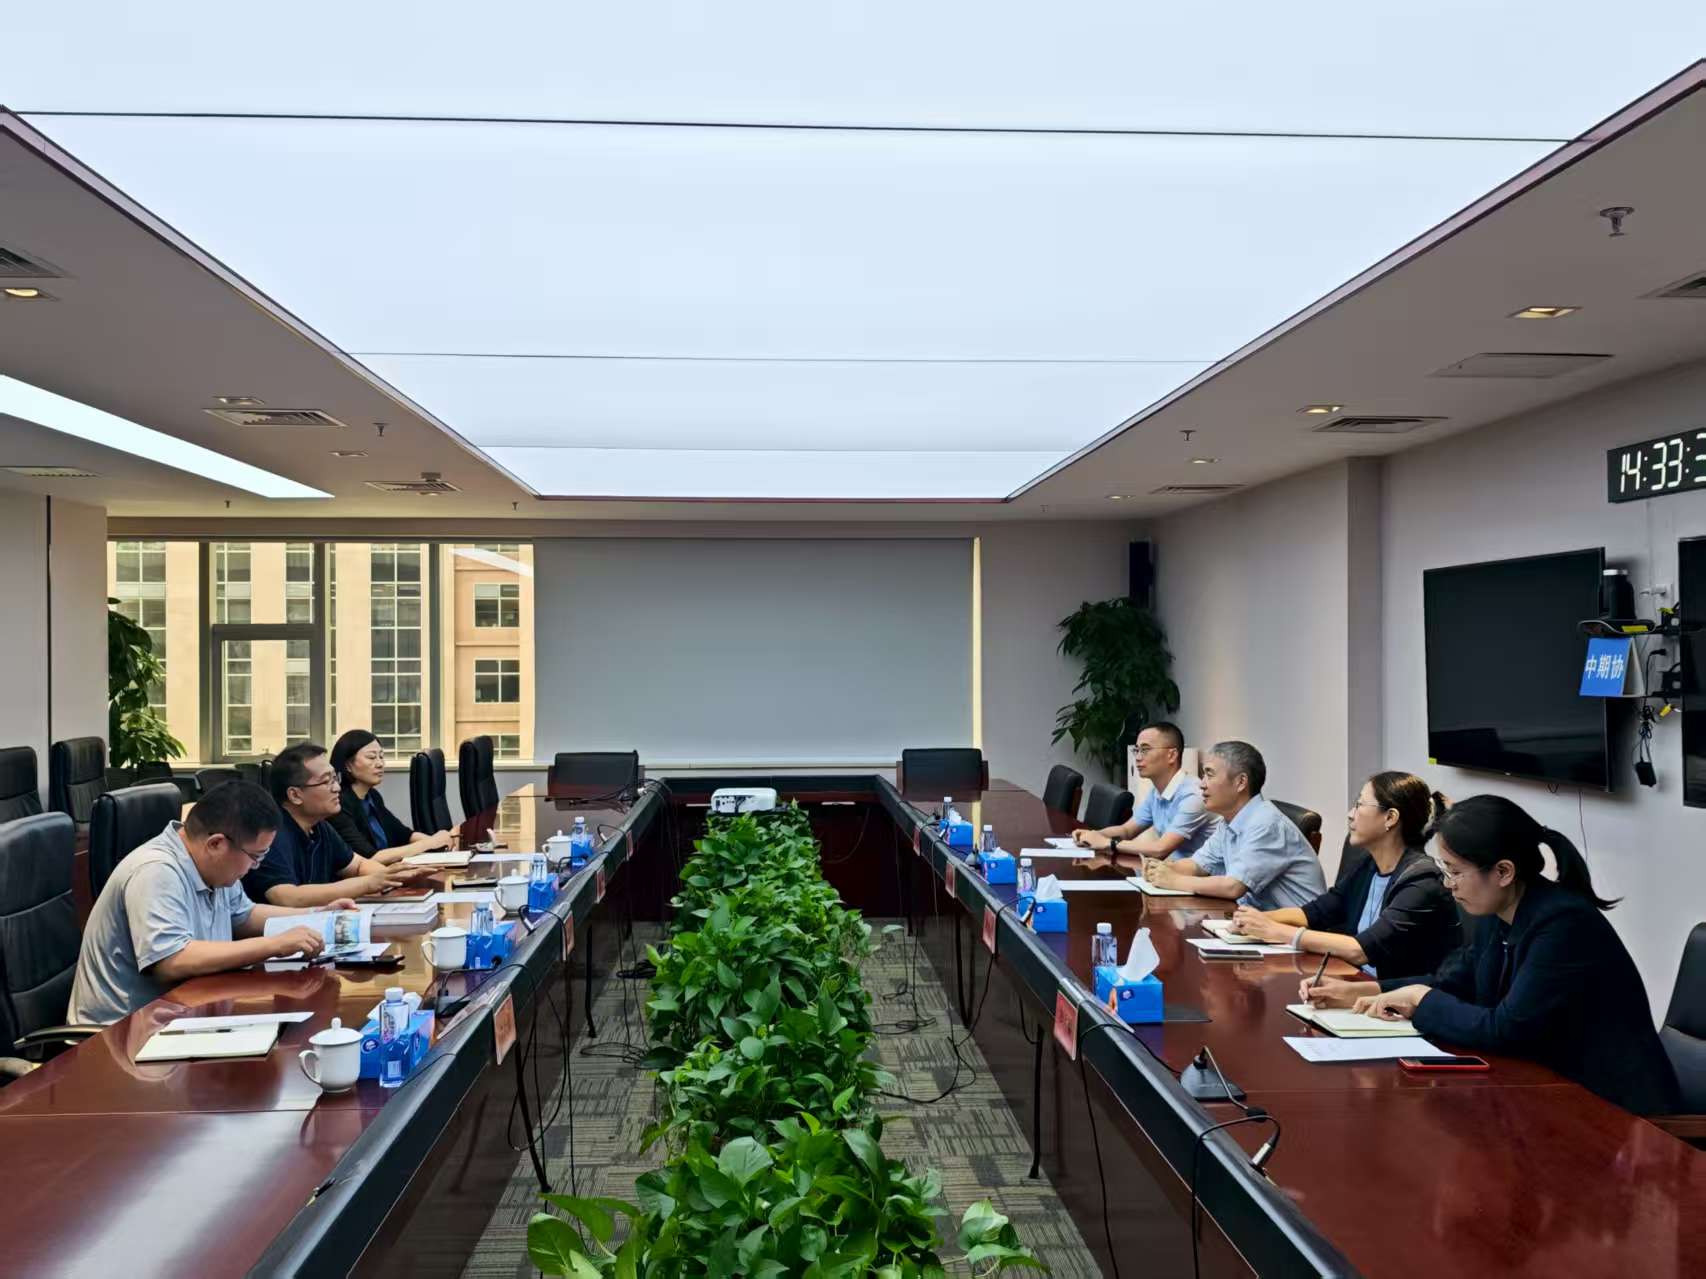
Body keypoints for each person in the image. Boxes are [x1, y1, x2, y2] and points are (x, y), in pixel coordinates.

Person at [1312, 794, 1679, 1116]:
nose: (1448, 885)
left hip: (1615, 1113)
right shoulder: (1500, 911)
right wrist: (1366, 991)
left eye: (1455, 872)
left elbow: (1506, 1029)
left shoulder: (1563, 924)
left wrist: (1421, 1000)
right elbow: (1454, 982)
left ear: (1503, 872)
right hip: (1543, 1091)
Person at [67, 781, 357, 1025]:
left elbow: (244, 915)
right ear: (216, 844)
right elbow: (172, 960)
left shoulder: (213, 866)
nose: (255, 867)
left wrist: (315, 915)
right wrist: (274, 945)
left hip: (184, 1011)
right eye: (255, 856)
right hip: (121, 1035)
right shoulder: (156, 871)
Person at [1229, 771, 1460, 978]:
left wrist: (1276, 931)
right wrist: (1255, 920)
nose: (1350, 814)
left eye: (1359, 805)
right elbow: (1315, 912)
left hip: (1398, 1001)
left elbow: (1360, 950)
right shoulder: (1368, 865)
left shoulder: (1421, 881)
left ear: (1390, 818)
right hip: (1356, 983)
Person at [1140, 740, 1326, 910]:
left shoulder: (1266, 824)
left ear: (1240, 782)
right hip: (1257, 921)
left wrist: (1174, 881)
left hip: (1295, 930)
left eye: (1209, 774)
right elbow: (1198, 865)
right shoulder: (1229, 821)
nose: (1202, 785)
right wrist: (1163, 869)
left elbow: (1233, 887)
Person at [243, 742, 430, 907]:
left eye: (335, 778)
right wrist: (369, 883)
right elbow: (287, 897)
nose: (337, 788)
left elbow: (358, 865)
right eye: (327, 781)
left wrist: (399, 876)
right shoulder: (271, 832)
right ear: (295, 795)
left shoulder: (319, 826)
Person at [1071, 721, 1217, 865]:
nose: (1138, 757)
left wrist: (1107, 843)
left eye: (1145, 750)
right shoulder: (1156, 792)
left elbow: (1161, 849)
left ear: (1172, 755)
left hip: (1197, 875)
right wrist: (1094, 835)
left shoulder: (1194, 796)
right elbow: (1127, 830)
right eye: (1137, 750)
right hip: (1171, 870)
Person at [326, 729, 452, 863]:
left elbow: (405, 835)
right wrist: (428, 843)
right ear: (348, 765)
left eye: (381, 757)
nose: (380, 764)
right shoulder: (338, 804)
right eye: (371, 757)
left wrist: (440, 842)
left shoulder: (372, 796)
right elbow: (369, 857)